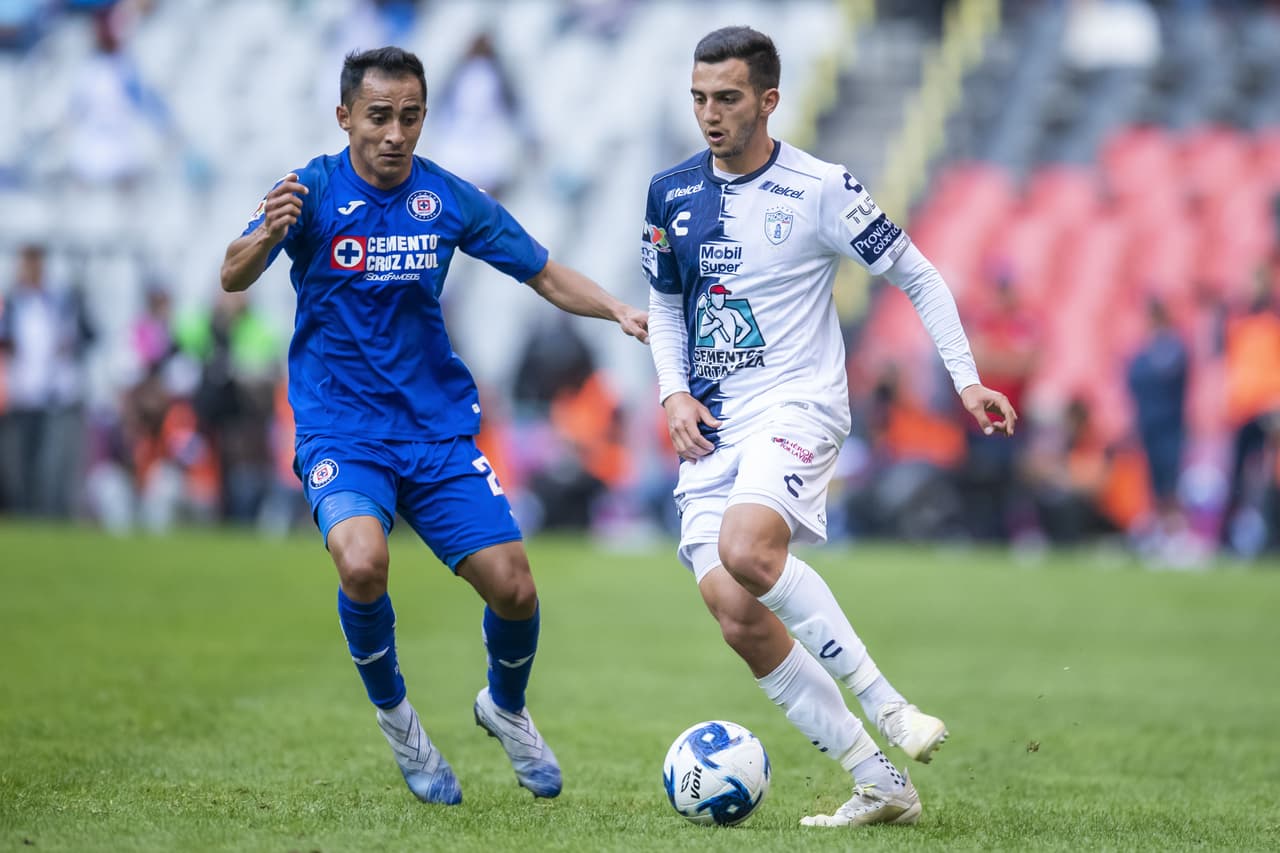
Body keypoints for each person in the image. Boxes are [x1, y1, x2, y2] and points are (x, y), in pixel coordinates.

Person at [220, 46, 647, 805]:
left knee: (515, 589)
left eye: (410, 116)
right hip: (342, 429)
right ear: (345, 116)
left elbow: (542, 270)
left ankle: (505, 708)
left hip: (434, 431)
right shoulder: (309, 189)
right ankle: (399, 722)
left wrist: (615, 308)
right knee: (361, 562)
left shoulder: (445, 197)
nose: (395, 133)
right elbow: (232, 273)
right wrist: (264, 235)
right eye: (379, 116)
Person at [642, 27, 1016, 829]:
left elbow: (918, 273)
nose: (710, 114)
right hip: (713, 421)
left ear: (769, 100)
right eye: (700, 98)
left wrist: (966, 379)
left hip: (798, 402)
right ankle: (880, 782)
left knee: (748, 550)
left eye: (728, 98)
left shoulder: (820, 188)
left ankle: (890, 706)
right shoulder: (669, 194)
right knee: (735, 612)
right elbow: (666, 303)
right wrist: (672, 393)